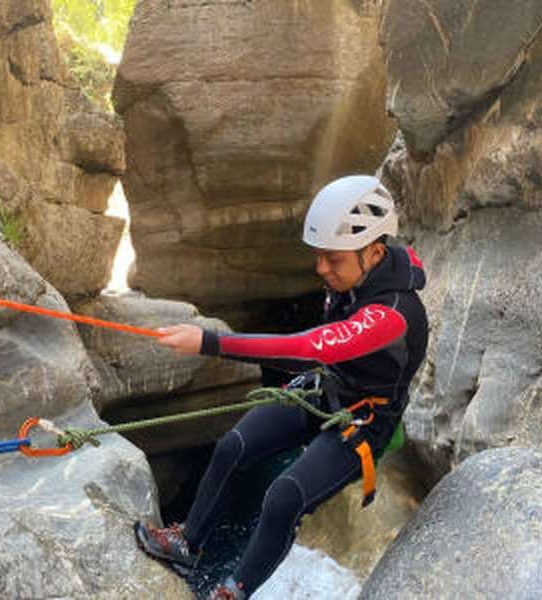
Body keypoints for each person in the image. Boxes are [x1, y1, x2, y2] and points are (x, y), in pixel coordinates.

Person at [134, 175, 429, 599]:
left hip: (363, 420)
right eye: (319, 258)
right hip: (325, 390)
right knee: (233, 447)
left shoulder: (393, 315)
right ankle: (188, 543)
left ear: (375, 253)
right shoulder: (353, 279)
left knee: (283, 497)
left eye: (332, 260)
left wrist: (209, 341)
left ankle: (234, 590)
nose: (320, 269)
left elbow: (309, 347)